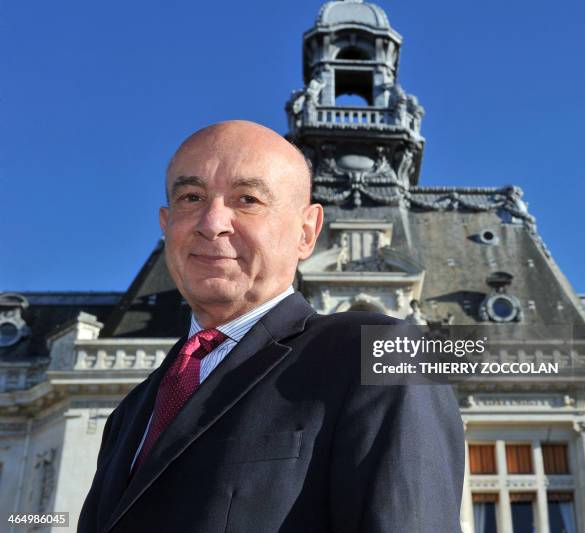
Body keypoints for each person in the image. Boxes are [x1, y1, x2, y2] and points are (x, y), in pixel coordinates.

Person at [77, 120, 465, 533]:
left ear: (306, 232)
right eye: (191, 197)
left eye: (247, 199)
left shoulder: (383, 351)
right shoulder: (131, 411)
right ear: (165, 223)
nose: (212, 222)